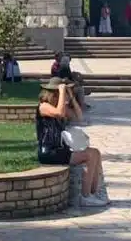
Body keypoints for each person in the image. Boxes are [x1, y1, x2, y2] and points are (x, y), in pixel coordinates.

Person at [36, 78, 106, 208]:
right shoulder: (43, 106)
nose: (65, 95)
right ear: (54, 93)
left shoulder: (60, 106)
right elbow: (59, 112)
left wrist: (72, 97)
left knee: (95, 153)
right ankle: (85, 197)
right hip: (48, 152)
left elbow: (78, 117)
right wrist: (62, 92)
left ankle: (94, 193)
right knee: (89, 155)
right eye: (62, 92)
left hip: (59, 150)